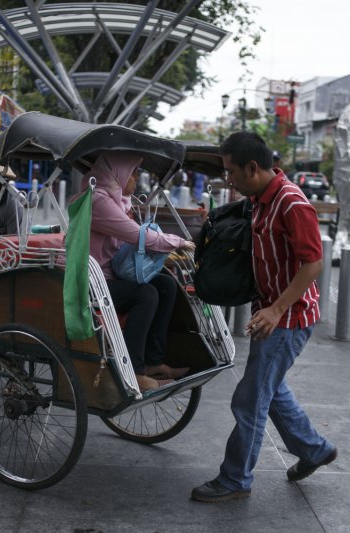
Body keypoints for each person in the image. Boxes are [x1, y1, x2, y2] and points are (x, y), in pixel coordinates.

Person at [191, 132, 336, 503]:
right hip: (269, 312)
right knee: (270, 392)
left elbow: (313, 263)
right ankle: (314, 449)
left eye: (231, 173)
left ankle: (235, 478)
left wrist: (276, 308)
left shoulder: (291, 203)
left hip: (288, 318)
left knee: (249, 399)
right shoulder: (259, 199)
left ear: (253, 168)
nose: (229, 181)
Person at [88, 151, 195, 391]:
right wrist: (176, 242)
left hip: (112, 274)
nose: (136, 179)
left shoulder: (119, 200)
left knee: (166, 285)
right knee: (145, 293)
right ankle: (134, 371)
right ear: (119, 172)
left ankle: (152, 361)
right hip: (92, 280)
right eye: (133, 173)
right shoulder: (98, 200)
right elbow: (137, 236)